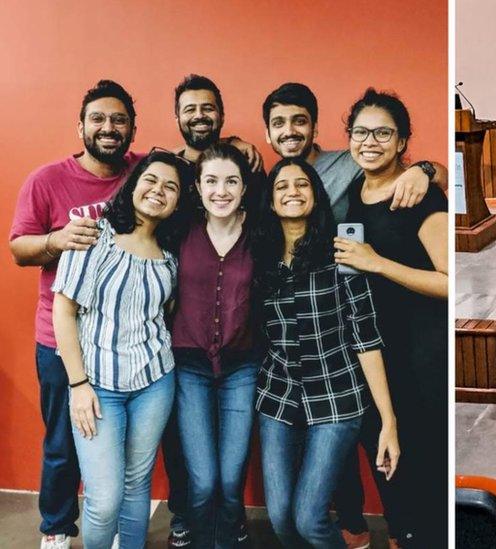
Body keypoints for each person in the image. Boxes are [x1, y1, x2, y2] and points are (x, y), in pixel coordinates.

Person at [9, 80, 142, 549]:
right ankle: (58, 529)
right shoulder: (46, 180)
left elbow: (198, 164)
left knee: (126, 444)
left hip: (127, 338)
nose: (109, 128)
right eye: (99, 119)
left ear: (132, 128)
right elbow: (19, 249)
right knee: (63, 443)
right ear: (81, 126)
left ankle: (124, 523)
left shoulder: (146, 172)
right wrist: (55, 241)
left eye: (119, 120)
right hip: (59, 337)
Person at [252, 157, 400, 548]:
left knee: (309, 518)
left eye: (301, 184)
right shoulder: (259, 258)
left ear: (316, 195)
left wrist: (388, 420)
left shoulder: (342, 254)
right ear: (270, 201)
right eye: (282, 186)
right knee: (282, 518)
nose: (292, 192)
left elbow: (366, 338)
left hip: (337, 398)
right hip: (277, 395)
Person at [50, 150, 193, 549]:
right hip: (97, 386)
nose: (158, 191)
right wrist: (78, 385)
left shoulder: (170, 255)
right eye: (151, 180)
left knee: (136, 485)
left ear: (178, 202)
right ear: (133, 184)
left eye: (171, 187)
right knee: (104, 498)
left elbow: (163, 315)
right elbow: (64, 311)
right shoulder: (94, 235)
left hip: (154, 382)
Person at [332, 89, 448, 548]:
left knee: (422, 465)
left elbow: (448, 280)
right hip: (373, 352)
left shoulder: (419, 196)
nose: (370, 141)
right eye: (361, 132)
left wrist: (376, 262)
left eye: (383, 132)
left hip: (420, 353)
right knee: (387, 458)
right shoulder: (354, 189)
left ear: (402, 142)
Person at [166, 73, 263, 549]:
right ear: (197, 187)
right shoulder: (178, 229)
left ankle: (230, 533)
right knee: (202, 482)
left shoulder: (262, 233)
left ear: (245, 187)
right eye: (211, 181)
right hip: (189, 369)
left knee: (230, 481)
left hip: (244, 367)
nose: (221, 190)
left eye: (231, 181)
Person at [261, 82, 447, 224]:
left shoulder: (352, 162)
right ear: (268, 134)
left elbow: (443, 177)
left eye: (299, 121)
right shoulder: (269, 179)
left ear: (315, 129)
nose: (289, 131)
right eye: (278, 123)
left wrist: (422, 170)